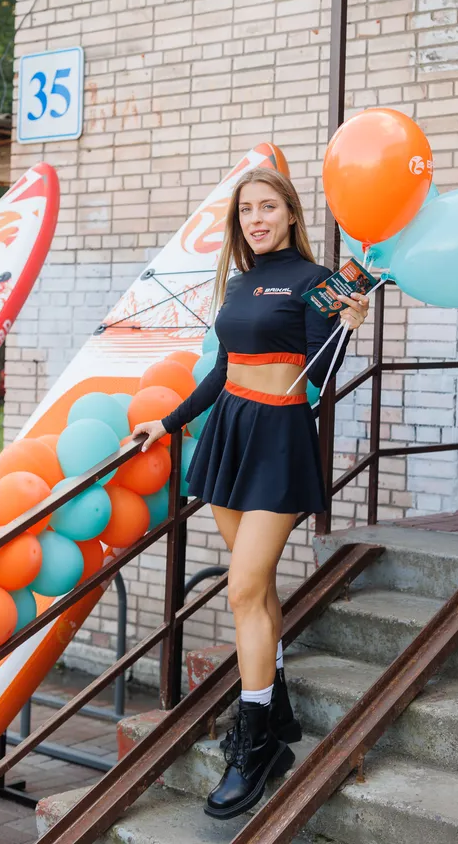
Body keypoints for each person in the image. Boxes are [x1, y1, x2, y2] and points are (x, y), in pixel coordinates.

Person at [132, 166, 370, 821]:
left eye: (268, 207)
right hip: (228, 436)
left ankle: (256, 739)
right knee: (256, 588)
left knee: (241, 588)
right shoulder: (237, 282)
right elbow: (221, 370)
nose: (256, 219)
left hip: (278, 440)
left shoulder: (316, 281)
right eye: (246, 211)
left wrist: (349, 324)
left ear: (291, 213)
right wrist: (169, 423)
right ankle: (279, 703)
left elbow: (321, 373)